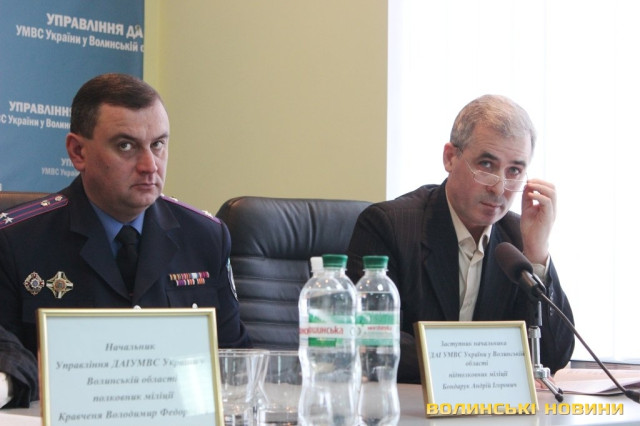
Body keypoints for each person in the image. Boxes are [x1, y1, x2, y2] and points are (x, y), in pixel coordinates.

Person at [0, 73, 250, 407]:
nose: (150, 166)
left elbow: (235, 362)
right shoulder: (16, 240)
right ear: (78, 152)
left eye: (158, 144)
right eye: (125, 146)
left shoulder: (206, 236)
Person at [346, 94, 575, 384]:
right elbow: (373, 340)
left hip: (491, 408)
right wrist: (485, 363)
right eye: (486, 165)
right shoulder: (387, 226)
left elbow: (554, 356)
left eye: (514, 171)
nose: (499, 188)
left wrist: (537, 253)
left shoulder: (518, 240)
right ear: (450, 157)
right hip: (409, 404)